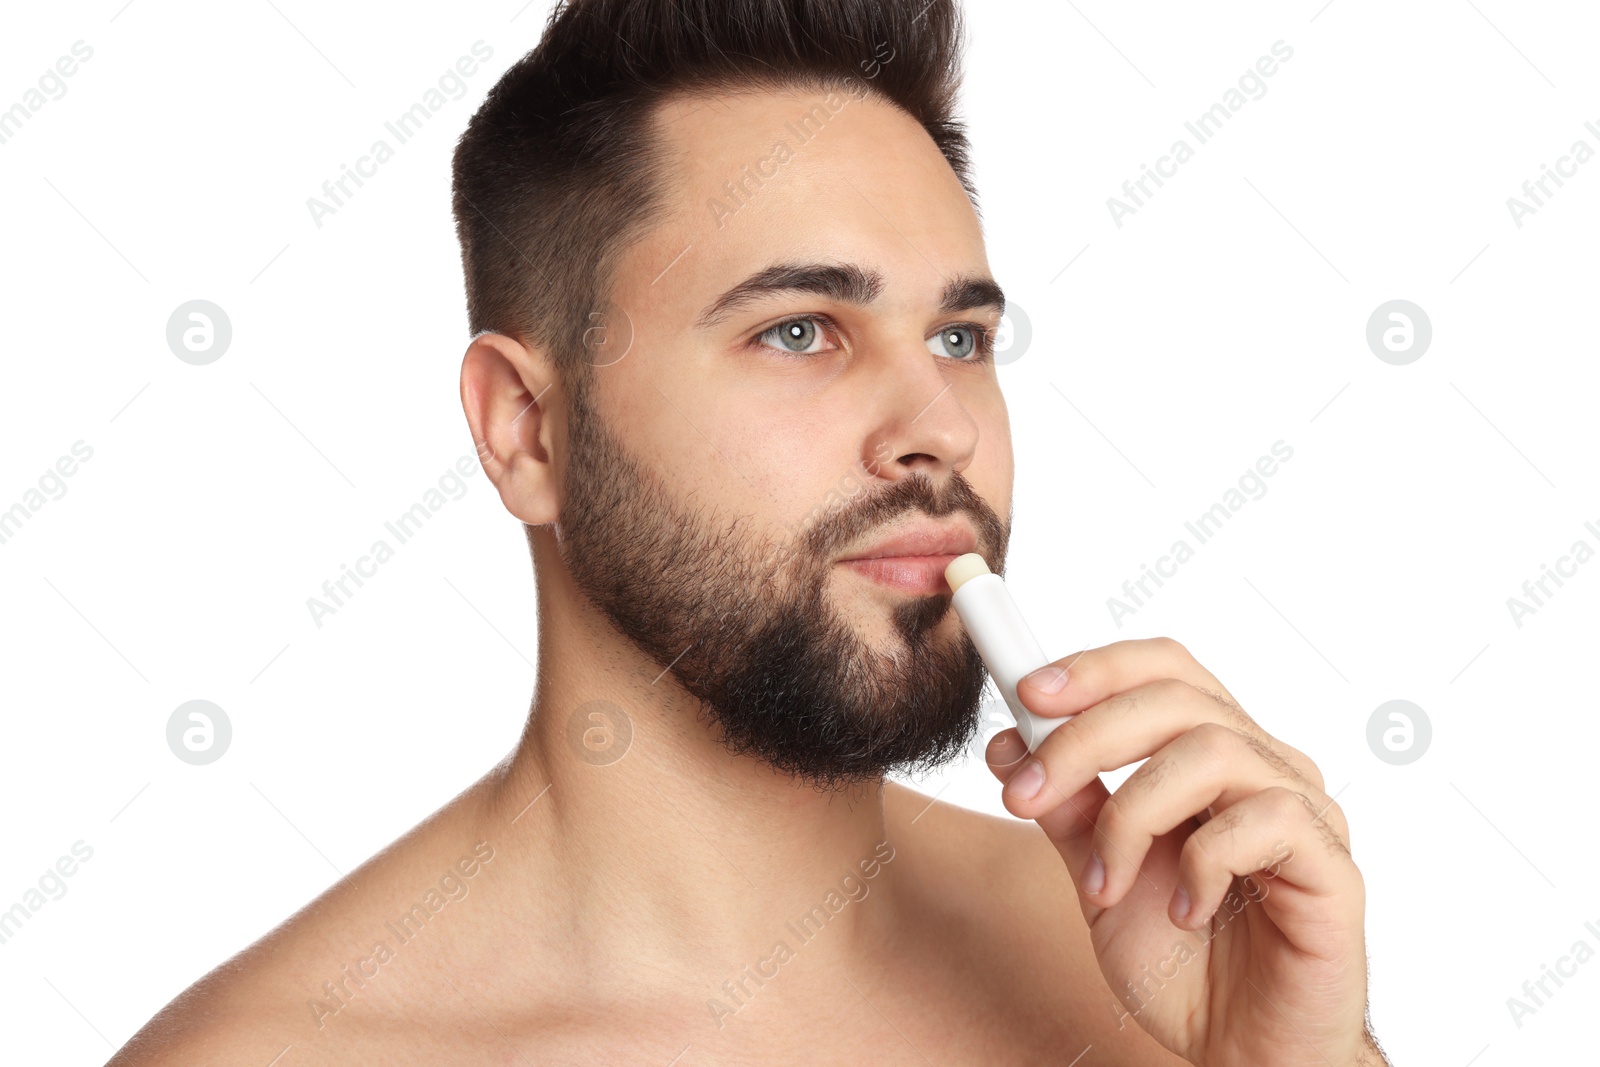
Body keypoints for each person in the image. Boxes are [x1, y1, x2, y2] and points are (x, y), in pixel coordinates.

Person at [111, 1, 1387, 1062]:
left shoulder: (1161, 954)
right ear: (525, 430)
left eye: (959, 337)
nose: (936, 424)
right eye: (799, 330)